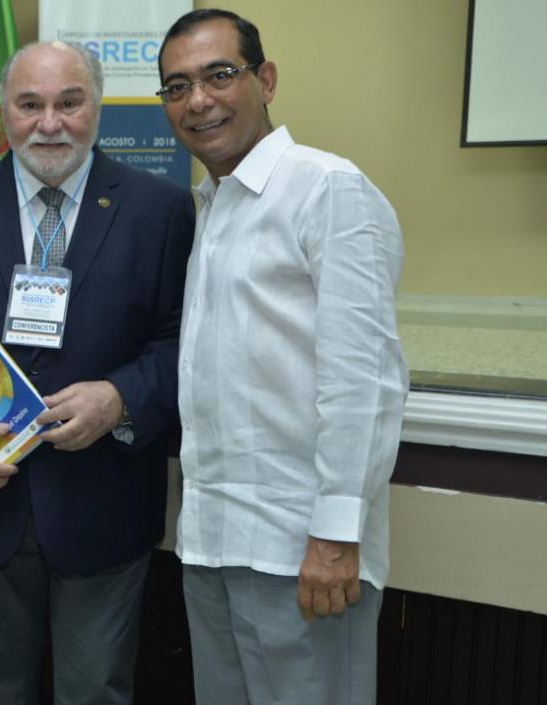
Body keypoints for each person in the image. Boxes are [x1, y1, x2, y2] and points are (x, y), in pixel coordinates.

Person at [0, 41, 195, 705]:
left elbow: (183, 342)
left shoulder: (161, 210)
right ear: (4, 112)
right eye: (30, 104)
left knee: (96, 690)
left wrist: (119, 396)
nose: (49, 122)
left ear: (97, 108)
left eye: (69, 102)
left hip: (104, 503)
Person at [156, 9, 408, 704]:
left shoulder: (327, 189)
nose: (198, 100)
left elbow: (365, 379)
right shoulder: (211, 206)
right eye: (177, 87)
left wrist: (335, 534)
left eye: (219, 75)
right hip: (211, 542)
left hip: (302, 554)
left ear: (265, 80)